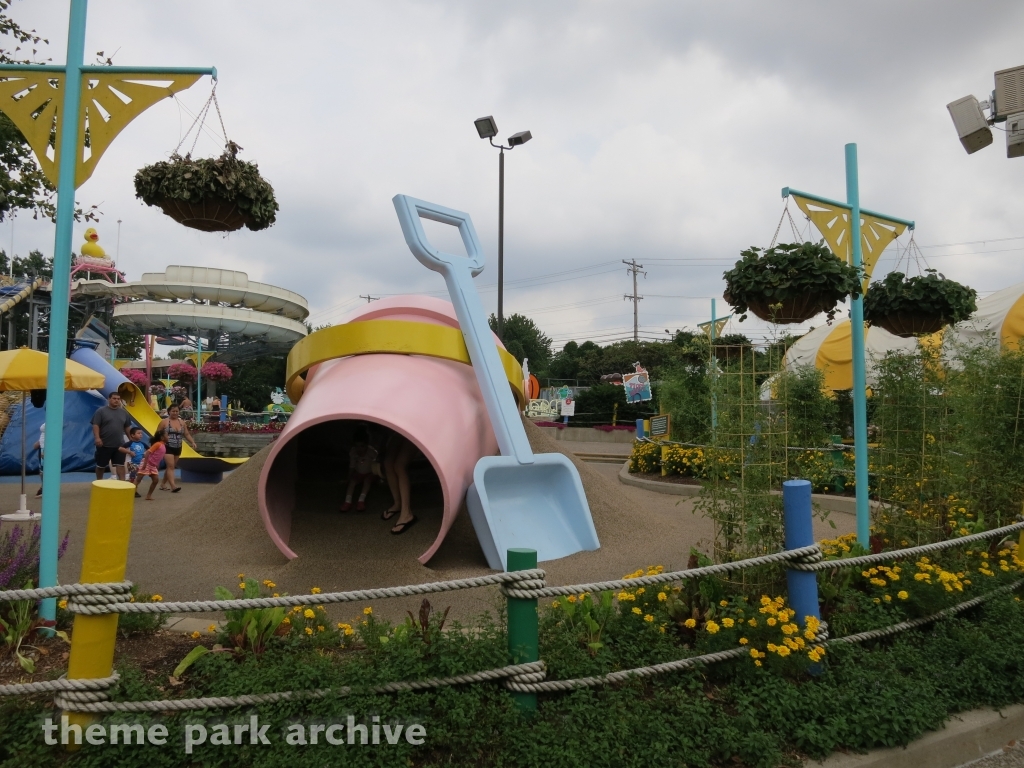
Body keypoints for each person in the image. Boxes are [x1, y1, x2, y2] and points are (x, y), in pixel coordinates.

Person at [91, 392, 133, 481]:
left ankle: (122, 484)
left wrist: (131, 440)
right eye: (114, 398)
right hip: (104, 444)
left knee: (120, 465)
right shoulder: (101, 411)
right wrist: (97, 438)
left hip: (119, 445)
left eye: (118, 399)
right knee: (101, 466)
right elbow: (95, 425)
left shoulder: (124, 413)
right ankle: (99, 482)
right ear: (109, 399)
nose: (116, 400)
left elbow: (127, 427)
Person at [383, 432, 416, 534]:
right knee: (387, 463)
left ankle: (406, 513)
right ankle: (398, 503)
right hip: (399, 428)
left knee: (399, 465)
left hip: (415, 427)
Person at [158, 404, 197, 492]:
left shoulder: (181, 422)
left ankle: (163, 484)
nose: (175, 413)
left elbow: (186, 434)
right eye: (173, 411)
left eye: (176, 411)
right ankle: (173, 486)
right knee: (171, 466)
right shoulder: (164, 422)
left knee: (170, 467)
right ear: (169, 412)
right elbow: (157, 434)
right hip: (167, 446)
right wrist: (158, 444)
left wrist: (192, 442)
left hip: (178, 446)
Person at [341, 427, 377, 512]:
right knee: (352, 482)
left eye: (362, 446)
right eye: (357, 446)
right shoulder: (353, 452)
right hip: (358, 473)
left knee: (367, 481)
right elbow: (352, 466)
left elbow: (378, 464)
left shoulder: (372, 452)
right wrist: (348, 478)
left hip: (370, 473)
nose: (359, 449)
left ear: (367, 445)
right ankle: (347, 501)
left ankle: (361, 500)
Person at [135, 429, 167, 501]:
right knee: (139, 479)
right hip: (147, 463)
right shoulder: (158, 444)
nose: (169, 437)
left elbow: (159, 456)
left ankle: (148, 495)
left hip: (152, 465)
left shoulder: (163, 445)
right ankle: (130, 492)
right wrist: (145, 463)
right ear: (162, 437)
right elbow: (147, 453)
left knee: (155, 480)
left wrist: (157, 464)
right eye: (167, 435)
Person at [126, 427, 147, 498]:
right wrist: (129, 452)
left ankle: (134, 490)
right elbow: (120, 448)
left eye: (141, 433)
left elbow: (150, 449)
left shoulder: (142, 443)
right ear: (132, 435)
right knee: (133, 477)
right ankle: (132, 491)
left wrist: (145, 453)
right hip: (132, 463)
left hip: (140, 463)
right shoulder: (130, 443)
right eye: (138, 433)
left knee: (138, 478)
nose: (141, 435)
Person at [32, 422, 44, 498]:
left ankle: (45, 489)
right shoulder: (48, 419)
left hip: (45, 448)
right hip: (42, 447)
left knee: (44, 470)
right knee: (41, 471)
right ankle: (44, 487)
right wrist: (39, 442)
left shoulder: (55, 420)